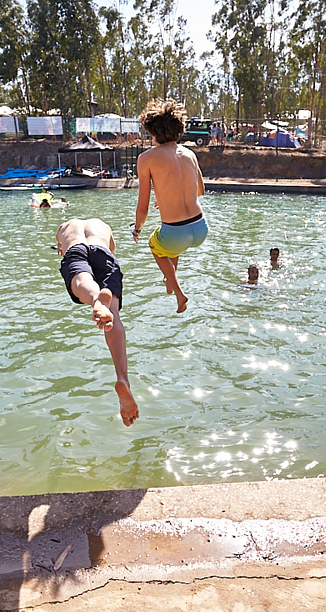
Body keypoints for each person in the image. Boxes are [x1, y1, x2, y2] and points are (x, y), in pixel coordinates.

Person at [56, 218, 138, 427]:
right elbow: (112, 253)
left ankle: (95, 298)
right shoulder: (103, 226)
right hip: (103, 251)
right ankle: (122, 378)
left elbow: (62, 250)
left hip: (75, 249)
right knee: (113, 315)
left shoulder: (64, 228)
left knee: (81, 280)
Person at [134, 99, 208, 314]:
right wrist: (171, 196)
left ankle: (178, 292)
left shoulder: (146, 158)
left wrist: (137, 229)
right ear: (179, 129)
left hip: (177, 234)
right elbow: (200, 191)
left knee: (154, 243)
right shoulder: (190, 154)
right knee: (170, 242)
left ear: (153, 133)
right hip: (201, 228)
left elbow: (143, 208)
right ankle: (171, 276)